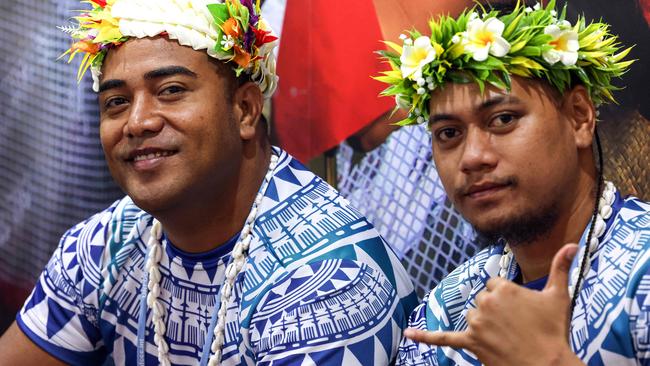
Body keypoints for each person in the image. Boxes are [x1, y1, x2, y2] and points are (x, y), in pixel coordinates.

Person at [0, 0, 418, 365]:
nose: (138, 122)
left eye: (171, 90)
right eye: (117, 102)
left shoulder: (328, 282)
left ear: (245, 109)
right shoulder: (104, 244)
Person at [376, 1, 648, 365]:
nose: (473, 156)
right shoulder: (449, 309)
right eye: (449, 133)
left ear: (580, 117)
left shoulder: (641, 273)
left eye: (503, 119)